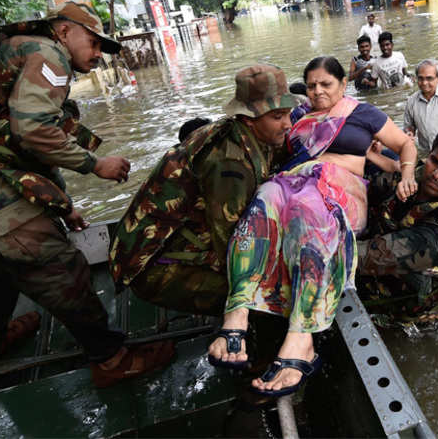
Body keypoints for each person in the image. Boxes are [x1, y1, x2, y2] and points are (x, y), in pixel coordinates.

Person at [0, 1, 174, 387]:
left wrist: (62, 203)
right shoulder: (48, 54)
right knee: (53, 259)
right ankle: (110, 358)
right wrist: (95, 164)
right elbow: (34, 131)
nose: (97, 55)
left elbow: (17, 147)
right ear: (62, 31)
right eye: (92, 42)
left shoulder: (17, 50)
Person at [207, 56, 418, 396]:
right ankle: (238, 312)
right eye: (311, 85)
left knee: (308, 211)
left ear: (343, 85)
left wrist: (405, 172)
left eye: (326, 84)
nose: (318, 91)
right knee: (265, 197)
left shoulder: (363, 114)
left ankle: (301, 338)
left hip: (341, 189)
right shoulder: (296, 115)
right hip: (295, 182)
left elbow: (405, 144)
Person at [110, 64, 301, 315]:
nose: (288, 123)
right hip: (152, 266)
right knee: (267, 298)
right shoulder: (230, 164)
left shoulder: (245, 134)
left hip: (169, 243)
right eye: (277, 117)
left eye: (288, 113)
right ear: (249, 118)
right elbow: (232, 244)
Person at [358, 129, 438, 326]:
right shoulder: (416, 176)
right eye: (434, 162)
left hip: (420, 315)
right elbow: (377, 186)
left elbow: (369, 257)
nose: (436, 175)